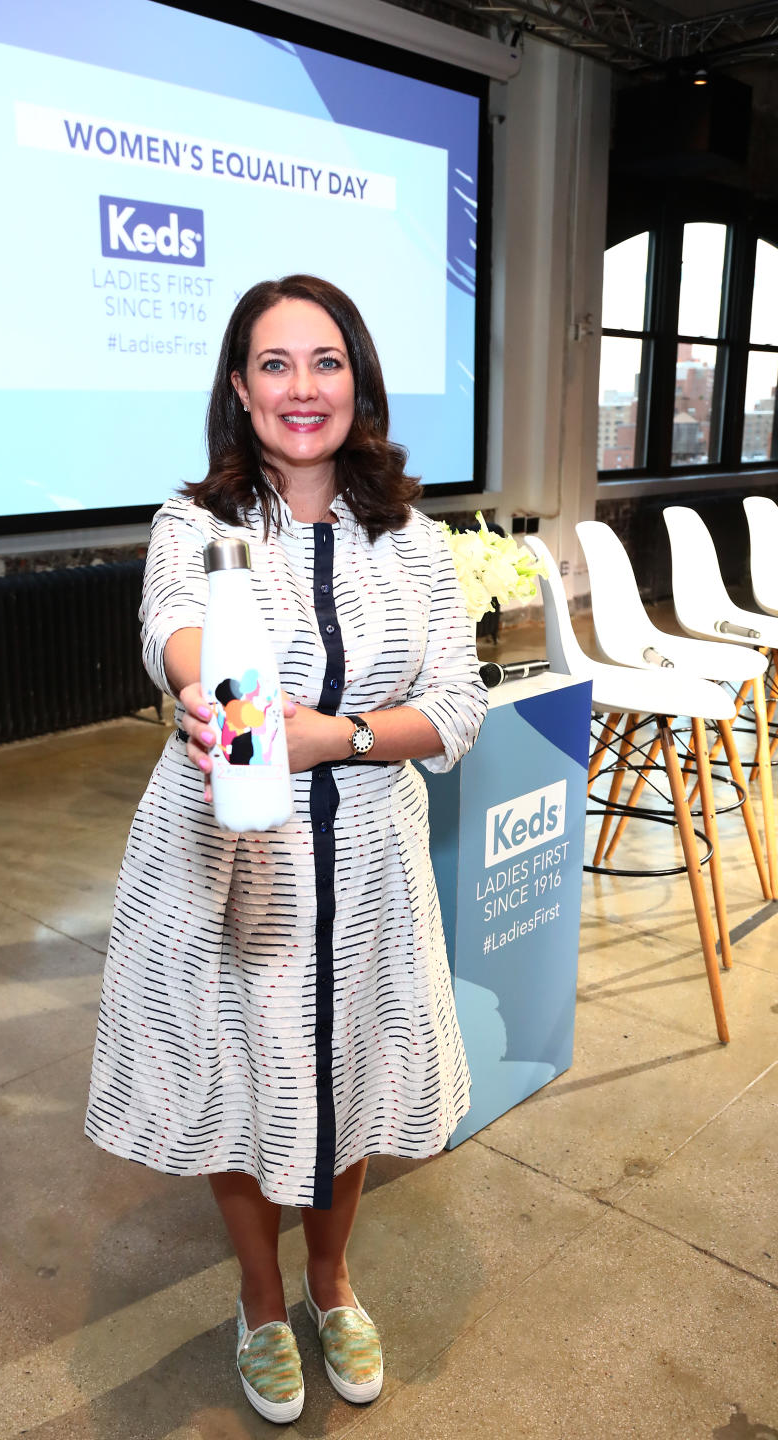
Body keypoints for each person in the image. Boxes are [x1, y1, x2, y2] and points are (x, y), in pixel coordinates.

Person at [85, 274, 488, 1424]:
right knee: (238, 1076)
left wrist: (340, 737)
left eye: (325, 361)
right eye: (274, 363)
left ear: (357, 381)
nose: (301, 387)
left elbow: (454, 709)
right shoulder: (197, 523)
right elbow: (179, 626)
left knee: (348, 1077)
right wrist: (209, 693)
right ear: (238, 385)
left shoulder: (413, 538)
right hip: (229, 867)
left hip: (366, 864)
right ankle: (262, 1302)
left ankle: (333, 1280)